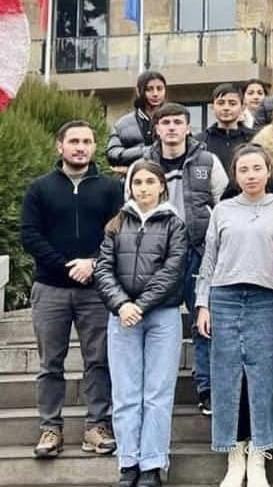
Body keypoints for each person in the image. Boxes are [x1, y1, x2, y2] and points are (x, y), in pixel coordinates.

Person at [20, 121, 124, 459]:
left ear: (95, 147)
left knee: (98, 361)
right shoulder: (40, 188)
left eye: (87, 141)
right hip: (50, 288)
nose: (81, 147)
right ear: (59, 146)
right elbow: (30, 235)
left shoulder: (111, 189)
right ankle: (50, 428)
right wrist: (67, 265)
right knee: (51, 363)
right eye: (74, 141)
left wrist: (92, 264)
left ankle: (96, 426)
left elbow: (118, 233)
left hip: (97, 290)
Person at [195, 145, 273, 487]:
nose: (251, 175)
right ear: (235, 175)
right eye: (244, 169)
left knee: (263, 378)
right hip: (224, 297)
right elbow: (209, 260)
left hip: (267, 298)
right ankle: (234, 456)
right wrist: (203, 304)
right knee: (227, 380)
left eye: (257, 168)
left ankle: (259, 457)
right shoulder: (222, 210)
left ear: (268, 171)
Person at [93, 160, 187, 487]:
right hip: (123, 318)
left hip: (161, 316)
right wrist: (122, 305)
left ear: (162, 185)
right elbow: (103, 269)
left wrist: (141, 305)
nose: (144, 188)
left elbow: (172, 271)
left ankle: (152, 464)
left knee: (157, 393)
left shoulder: (175, 224)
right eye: (138, 182)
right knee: (126, 393)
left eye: (150, 182)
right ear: (129, 187)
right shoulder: (115, 225)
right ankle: (128, 463)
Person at [142, 102, 228, 417]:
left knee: (204, 323)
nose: (172, 128)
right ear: (158, 128)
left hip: (197, 252)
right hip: (156, 256)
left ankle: (207, 390)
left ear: (188, 127)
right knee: (154, 323)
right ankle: (151, 390)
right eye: (166, 122)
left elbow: (222, 204)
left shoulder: (207, 160)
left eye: (178, 122)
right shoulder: (145, 163)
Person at [198, 83, 255, 200]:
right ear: (212, 107)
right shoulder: (199, 141)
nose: (226, 108)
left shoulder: (255, 138)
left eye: (232, 103)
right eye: (220, 103)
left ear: (243, 107)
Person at [107, 71, 167, 169]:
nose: (155, 94)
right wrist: (148, 151)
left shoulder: (173, 120)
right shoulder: (123, 124)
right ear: (139, 91)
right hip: (135, 178)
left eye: (159, 89)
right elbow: (113, 154)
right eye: (149, 89)